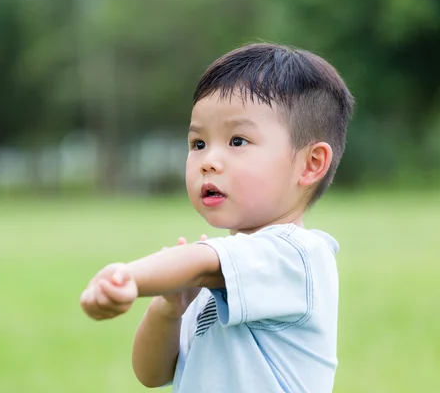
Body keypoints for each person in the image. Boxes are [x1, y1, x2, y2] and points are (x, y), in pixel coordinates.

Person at [80, 42, 354, 392]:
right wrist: (168, 309)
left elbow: (198, 262)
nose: (209, 161)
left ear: (310, 164)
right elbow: (152, 374)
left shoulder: (298, 256)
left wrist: (128, 277)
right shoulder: (219, 278)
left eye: (237, 141)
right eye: (198, 144)